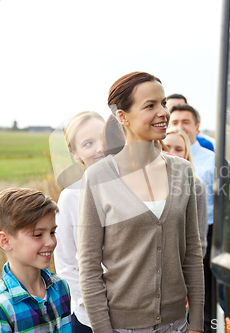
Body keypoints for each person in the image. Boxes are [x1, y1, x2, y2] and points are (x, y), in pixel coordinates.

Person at [78, 72, 204, 333]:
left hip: (178, 324)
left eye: (163, 103)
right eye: (150, 106)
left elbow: (192, 254)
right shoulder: (98, 177)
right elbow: (89, 268)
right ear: (122, 116)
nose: (163, 113)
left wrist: (196, 325)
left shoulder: (183, 172)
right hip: (123, 328)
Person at [0, 188, 72, 332]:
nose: (50, 242)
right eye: (38, 234)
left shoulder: (61, 287)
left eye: (52, 232)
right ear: (5, 241)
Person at [54, 111, 105, 333]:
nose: (100, 148)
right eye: (88, 143)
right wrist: (95, 306)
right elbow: (65, 263)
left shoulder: (136, 188)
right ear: (75, 153)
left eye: (104, 138)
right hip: (90, 317)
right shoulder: (70, 197)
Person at [169, 103, 215, 333]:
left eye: (185, 121)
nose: (180, 126)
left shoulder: (212, 160)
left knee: (201, 296)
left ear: (197, 126)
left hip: (203, 232)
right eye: (174, 121)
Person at [163, 126, 208, 258]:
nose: (171, 153)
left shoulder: (196, 185)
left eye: (179, 149)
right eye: (166, 147)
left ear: (186, 155)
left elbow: (199, 239)